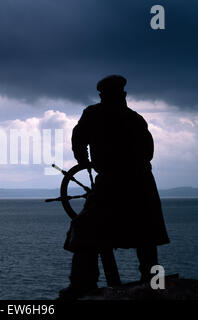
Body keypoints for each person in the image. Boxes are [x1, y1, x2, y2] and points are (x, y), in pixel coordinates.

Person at [60, 75, 170, 299]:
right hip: (142, 183)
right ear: (124, 95)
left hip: (111, 182)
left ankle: (82, 284)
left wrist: (84, 160)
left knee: (84, 229)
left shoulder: (93, 114)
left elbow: (78, 140)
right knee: (147, 238)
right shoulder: (136, 119)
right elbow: (149, 152)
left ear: (103, 95)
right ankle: (155, 283)